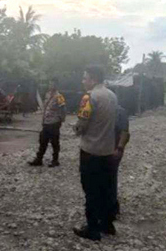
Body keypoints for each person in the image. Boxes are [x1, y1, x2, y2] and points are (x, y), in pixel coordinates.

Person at [73, 66, 118, 241]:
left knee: (91, 190)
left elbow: (81, 126)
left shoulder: (90, 97)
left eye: (85, 78)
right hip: (107, 151)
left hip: (91, 151)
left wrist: (75, 128)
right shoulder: (113, 96)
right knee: (105, 188)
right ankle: (107, 224)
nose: (83, 81)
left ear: (93, 79)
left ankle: (92, 229)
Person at [29, 78, 66, 167]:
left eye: (53, 84)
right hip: (46, 122)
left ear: (56, 85)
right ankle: (39, 159)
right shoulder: (47, 94)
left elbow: (63, 109)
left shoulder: (59, 97)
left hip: (54, 122)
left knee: (54, 142)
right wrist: (43, 120)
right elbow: (45, 108)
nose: (51, 86)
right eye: (50, 84)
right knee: (43, 141)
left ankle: (55, 160)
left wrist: (61, 120)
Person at [112, 105, 130, 219]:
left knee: (111, 178)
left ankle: (112, 209)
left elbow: (125, 132)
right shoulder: (104, 111)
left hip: (114, 149)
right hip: (103, 149)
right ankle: (111, 207)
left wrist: (119, 148)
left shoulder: (120, 111)